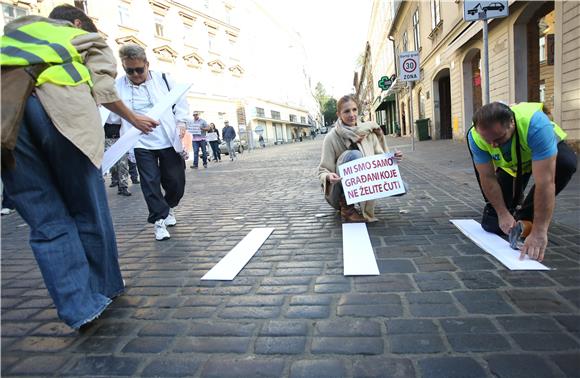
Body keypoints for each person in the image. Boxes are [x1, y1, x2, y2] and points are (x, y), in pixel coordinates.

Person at [0, 5, 158, 329]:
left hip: (7, 124)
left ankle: (79, 308)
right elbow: (104, 88)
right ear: (76, 22)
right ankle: (106, 287)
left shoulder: (9, 41)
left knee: (46, 222)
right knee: (88, 210)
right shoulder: (79, 36)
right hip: (61, 114)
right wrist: (133, 119)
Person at [468, 102, 577, 262]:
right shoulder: (475, 136)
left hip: (545, 155)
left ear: (511, 123)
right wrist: (502, 213)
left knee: (566, 163)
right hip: (512, 167)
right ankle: (513, 210)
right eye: (488, 140)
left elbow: (545, 182)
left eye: (499, 138)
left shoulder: (536, 125)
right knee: (492, 224)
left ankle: (526, 214)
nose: (493, 145)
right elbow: (487, 177)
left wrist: (539, 231)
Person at [106, 44, 189, 241]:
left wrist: (182, 122)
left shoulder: (164, 79)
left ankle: (168, 207)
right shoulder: (117, 86)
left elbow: (181, 103)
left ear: (147, 64)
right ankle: (158, 220)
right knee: (149, 182)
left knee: (176, 182)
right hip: (139, 143)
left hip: (167, 139)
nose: (135, 74)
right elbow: (112, 118)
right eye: (129, 71)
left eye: (139, 70)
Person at [318, 95, 403, 223]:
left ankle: (364, 200)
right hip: (338, 191)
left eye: (354, 109)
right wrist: (329, 176)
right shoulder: (331, 137)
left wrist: (393, 158)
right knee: (354, 155)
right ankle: (347, 208)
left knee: (402, 187)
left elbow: (379, 159)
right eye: (346, 111)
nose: (352, 114)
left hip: (362, 188)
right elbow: (322, 170)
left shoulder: (368, 132)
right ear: (338, 114)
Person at [104, 122, 131, 196]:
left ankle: (123, 187)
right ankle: (115, 179)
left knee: (123, 164)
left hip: (121, 139)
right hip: (108, 140)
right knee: (113, 165)